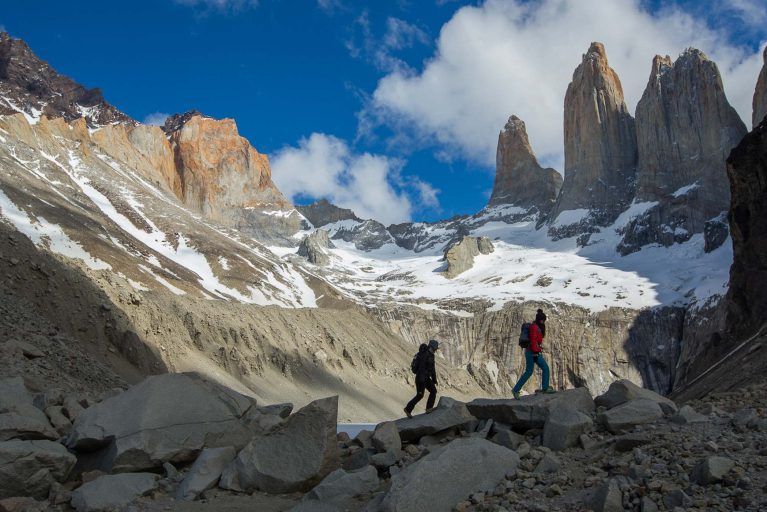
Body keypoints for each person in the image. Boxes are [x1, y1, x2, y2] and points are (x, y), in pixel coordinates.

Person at [512, 309, 555, 399]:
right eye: (543, 320)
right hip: (532, 352)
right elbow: (533, 340)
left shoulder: (537, 327)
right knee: (530, 371)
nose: (544, 322)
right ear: (540, 320)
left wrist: (537, 348)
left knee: (542, 368)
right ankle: (516, 390)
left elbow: (535, 341)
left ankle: (545, 387)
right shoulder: (534, 327)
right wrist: (536, 350)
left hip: (533, 351)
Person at [404, 339, 439, 418]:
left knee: (432, 391)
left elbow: (432, 369)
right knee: (421, 395)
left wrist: (434, 380)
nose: (435, 350)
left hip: (424, 378)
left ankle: (428, 408)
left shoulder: (429, 355)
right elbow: (426, 368)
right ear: (431, 347)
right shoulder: (427, 355)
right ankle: (408, 409)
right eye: (435, 349)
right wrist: (431, 379)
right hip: (421, 379)